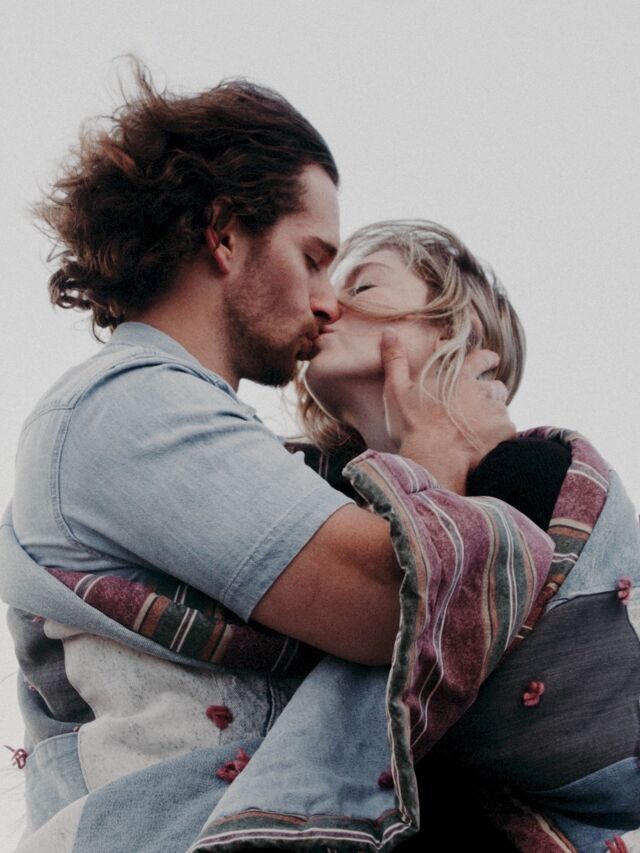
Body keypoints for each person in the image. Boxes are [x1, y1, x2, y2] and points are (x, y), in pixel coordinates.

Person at [0, 68, 543, 852]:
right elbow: (401, 606)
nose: (326, 301)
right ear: (224, 233)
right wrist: (435, 449)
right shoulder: (131, 403)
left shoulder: (201, 425)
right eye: (313, 258)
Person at [294, 219, 640, 852]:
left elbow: (423, 658)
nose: (323, 304)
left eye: (362, 286)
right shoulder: (303, 493)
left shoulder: (533, 476)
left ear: (455, 326)